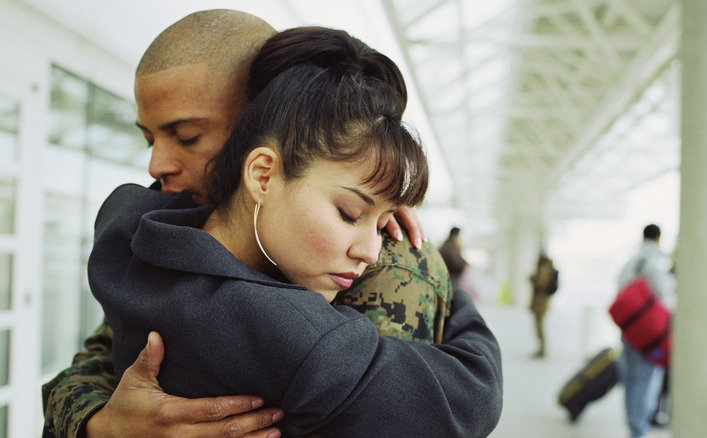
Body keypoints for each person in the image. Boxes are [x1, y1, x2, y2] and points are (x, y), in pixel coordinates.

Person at [39, 10, 486, 438]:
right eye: (149, 137)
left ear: (261, 121)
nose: (156, 164)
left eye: (187, 136)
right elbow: (95, 358)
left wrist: (377, 214)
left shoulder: (391, 266)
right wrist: (100, 424)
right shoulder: (166, 229)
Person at [615, 224, 675, 438]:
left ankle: (633, 425)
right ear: (658, 238)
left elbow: (620, 292)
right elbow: (665, 295)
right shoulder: (655, 262)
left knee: (630, 380)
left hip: (629, 331)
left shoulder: (631, 262)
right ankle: (637, 430)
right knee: (644, 381)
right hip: (649, 335)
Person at [528, 252, 555, 359]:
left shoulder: (544, 268)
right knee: (539, 325)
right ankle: (541, 348)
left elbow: (541, 283)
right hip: (540, 301)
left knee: (540, 326)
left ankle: (542, 349)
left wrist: (533, 279)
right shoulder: (545, 267)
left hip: (540, 301)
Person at [439, 226, 468, 290]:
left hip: (446, 284)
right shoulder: (449, 249)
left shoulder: (446, 246)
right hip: (449, 286)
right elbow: (460, 266)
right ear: (456, 236)